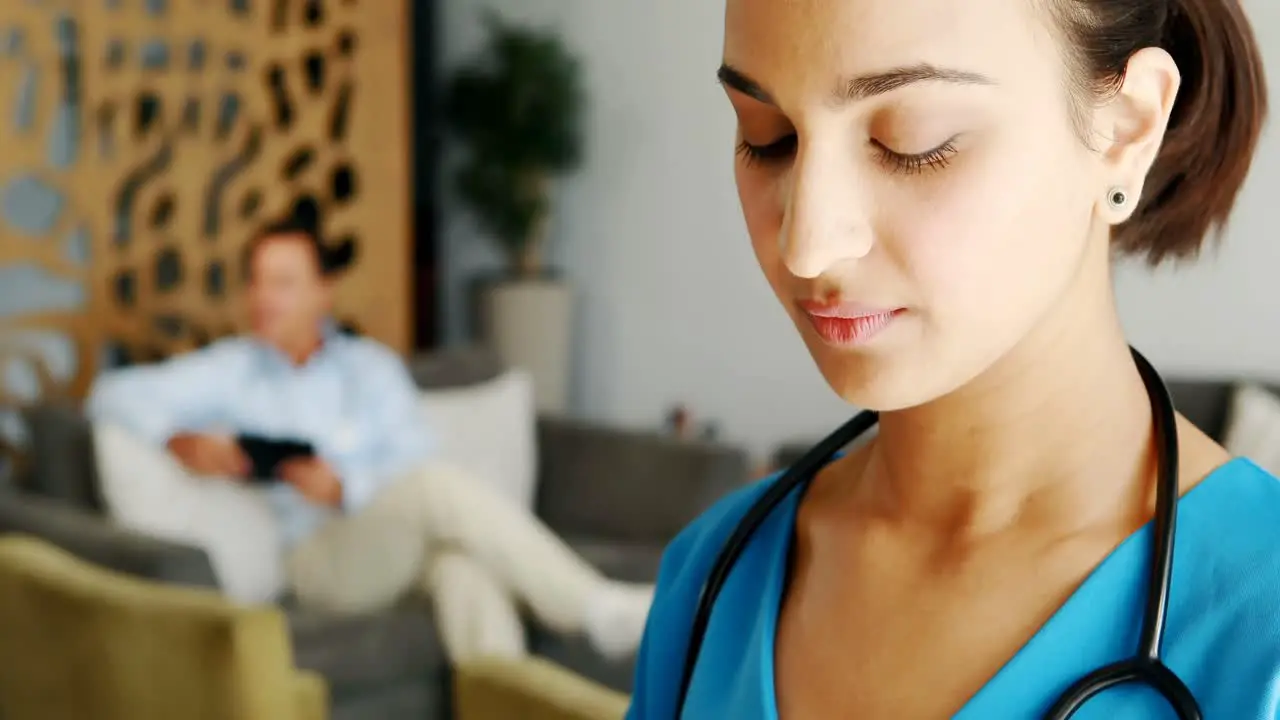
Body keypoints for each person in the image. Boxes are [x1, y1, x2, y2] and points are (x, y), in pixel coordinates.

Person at [628, 0, 1277, 717]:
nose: (806, 244)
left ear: (1126, 130)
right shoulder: (713, 575)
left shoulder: (1260, 624)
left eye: (913, 142)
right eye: (769, 136)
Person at [86, 215, 653, 663]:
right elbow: (110, 394)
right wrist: (180, 439)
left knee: (465, 573)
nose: (264, 297)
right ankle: (593, 609)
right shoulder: (234, 369)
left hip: (392, 543)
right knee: (435, 493)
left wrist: (344, 485)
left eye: (283, 282)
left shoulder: (371, 369)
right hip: (317, 561)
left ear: (322, 291)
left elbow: (414, 457)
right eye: (257, 280)